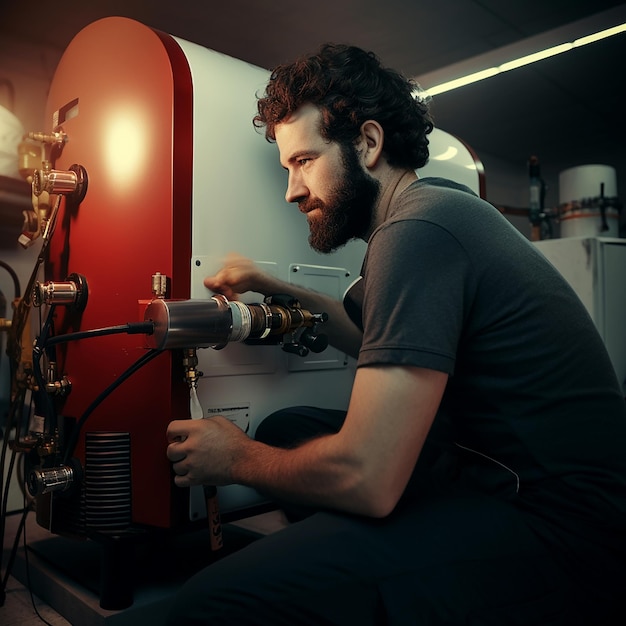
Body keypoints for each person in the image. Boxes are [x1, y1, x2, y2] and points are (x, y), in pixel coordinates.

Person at [165, 43, 626, 625]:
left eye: (304, 160)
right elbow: (373, 337)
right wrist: (272, 284)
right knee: (288, 430)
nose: (292, 190)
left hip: (562, 529)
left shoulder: (418, 231)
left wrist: (234, 458)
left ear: (368, 143)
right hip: (493, 468)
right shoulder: (434, 210)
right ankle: (379, 562)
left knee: (213, 603)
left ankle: (391, 573)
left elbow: (368, 478)